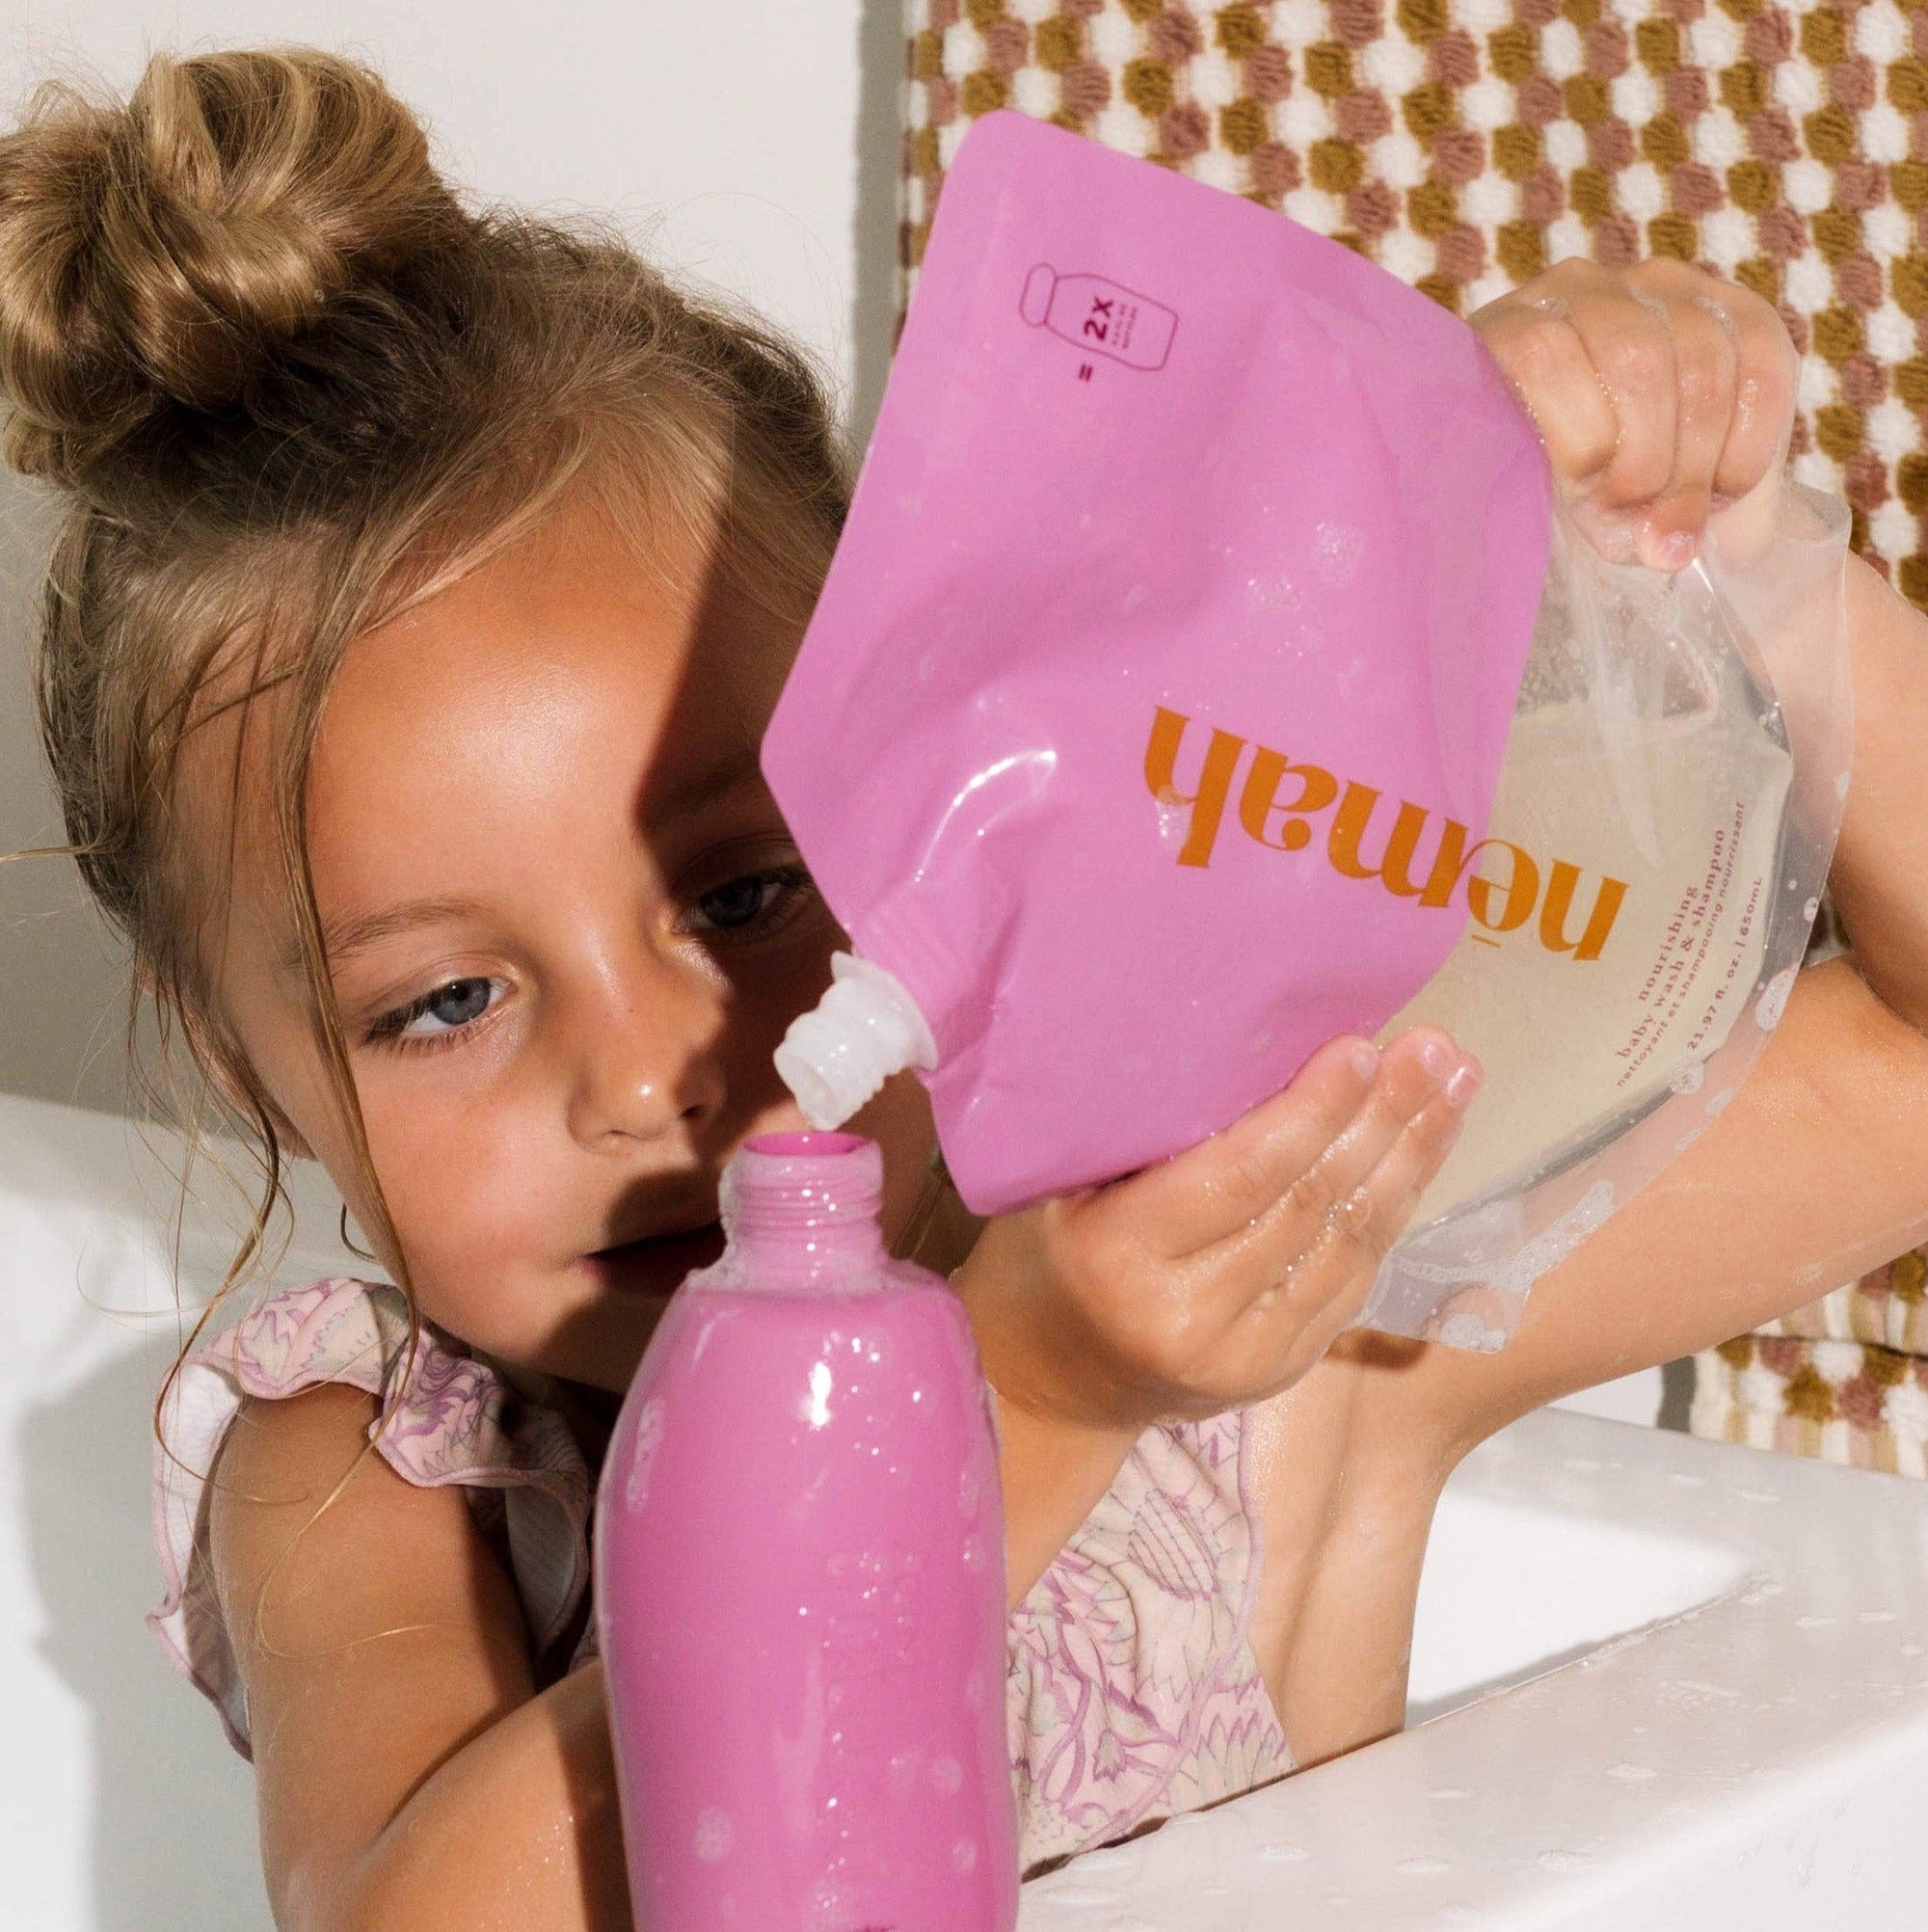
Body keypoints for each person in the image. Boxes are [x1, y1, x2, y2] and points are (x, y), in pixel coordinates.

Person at [4, 47, 1925, 1928]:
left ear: (957, 773)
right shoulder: (379, 1475)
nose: (653, 1073)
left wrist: (1730, 564)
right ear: (244, 1065)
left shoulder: (1264, 1301)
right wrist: (1029, 1396)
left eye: (746, 890)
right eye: (444, 1004)